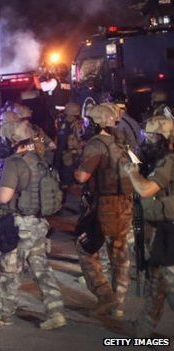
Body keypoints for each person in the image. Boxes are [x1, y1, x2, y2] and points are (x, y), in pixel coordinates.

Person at [0, 120, 67, 330]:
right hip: (39, 223)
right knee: (42, 269)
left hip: (19, 224)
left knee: (10, 271)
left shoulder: (15, 162)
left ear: (13, 140)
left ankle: (4, 314)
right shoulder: (40, 157)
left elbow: (4, 196)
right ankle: (56, 313)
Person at [74, 104, 133, 318]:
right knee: (119, 253)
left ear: (95, 122)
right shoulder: (122, 143)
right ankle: (118, 304)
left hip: (104, 206)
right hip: (125, 203)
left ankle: (104, 296)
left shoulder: (96, 145)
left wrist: (74, 169)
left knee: (85, 248)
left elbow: (82, 177)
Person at [123, 115, 174, 337]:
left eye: (151, 137)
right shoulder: (161, 160)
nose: (147, 141)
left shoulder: (169, 161)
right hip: (161, 228)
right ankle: (144, 328)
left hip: (170, 230)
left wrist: (132, 172)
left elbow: (146, 190)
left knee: (169, 281)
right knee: (156, 281)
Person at [55, 102, 83, 187]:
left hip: (63, 153)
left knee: (64, 180)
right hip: (71, 156)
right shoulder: (76, 124)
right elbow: (80, 139)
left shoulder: (61, 123)